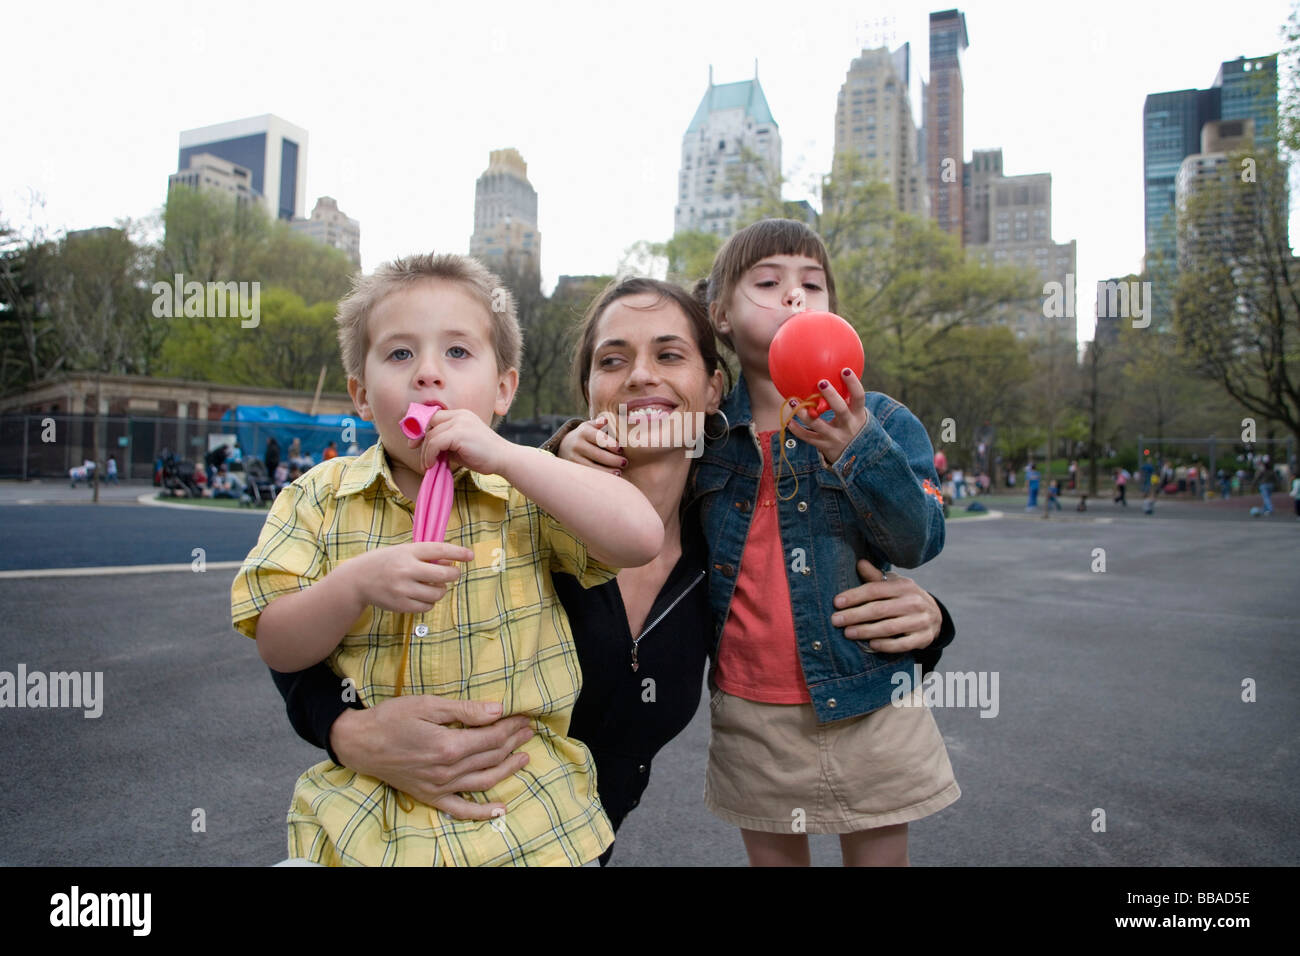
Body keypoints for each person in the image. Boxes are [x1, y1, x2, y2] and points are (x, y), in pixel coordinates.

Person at [270, 275, 960, 867]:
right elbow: (301, 630)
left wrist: (930, 624)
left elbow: (801, 621)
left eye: (669, 354)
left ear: (713, 387)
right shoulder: (518, 511)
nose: (641, 377)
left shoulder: (723, 546)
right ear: (589, 392)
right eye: (613, 359)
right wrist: (346, 730)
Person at [231, 252, 664, 867]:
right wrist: (352, 585)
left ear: (503, 389)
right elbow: (277, 642)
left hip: (528, 819)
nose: (428, 374)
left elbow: (639, 535)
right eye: (400, 354)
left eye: (458, 353)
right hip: (370, 820)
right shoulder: (316, 500)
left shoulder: (527, 493)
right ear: (360, 394)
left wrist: (511, 457)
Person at [686, 218, 955, 866]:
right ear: (720, 314)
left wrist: (858, 448)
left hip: (870, 697)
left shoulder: (882, 420)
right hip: (752, 710)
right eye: (769, 281)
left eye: (813, 282)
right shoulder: (704, 437)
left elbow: (919, 539)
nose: (795, 295)